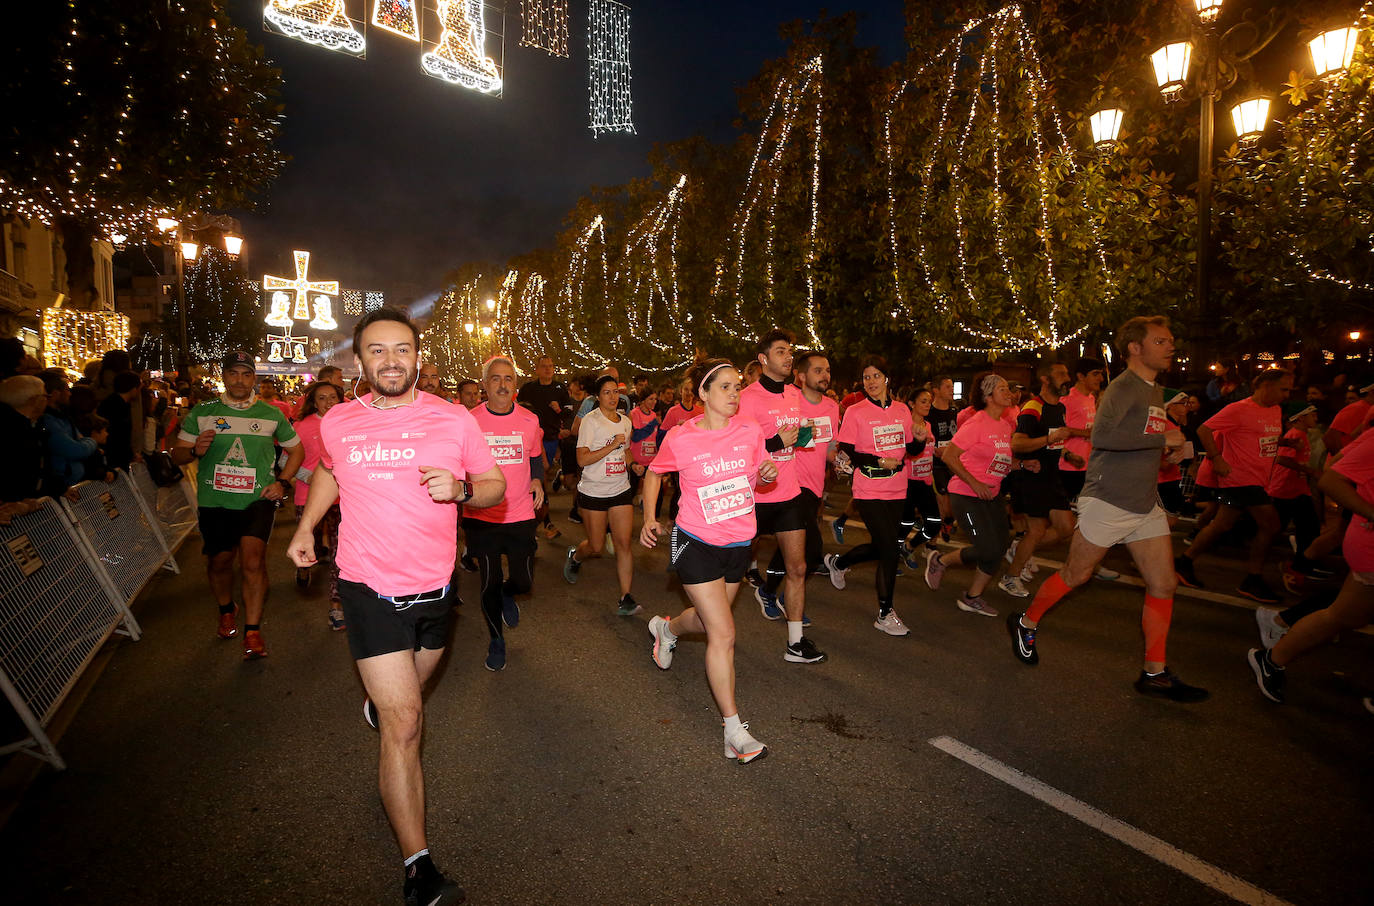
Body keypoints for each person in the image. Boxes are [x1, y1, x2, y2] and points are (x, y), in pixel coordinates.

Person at [288, 308, 503, 906]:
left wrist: (462, 489)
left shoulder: (453, 419)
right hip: (367, 589)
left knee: (410, 690)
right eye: (377, 351)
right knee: (405, 722)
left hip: (435, 592)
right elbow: (331, 473)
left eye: (401, 350)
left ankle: (377, 703)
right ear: (360, 361)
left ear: (417, 357)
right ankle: (419, 869)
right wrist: (306, 525)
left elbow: (495, 486)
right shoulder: (339, 420)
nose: (390, 361)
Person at [1007, 316, 1207, 702]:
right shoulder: (1124, 387)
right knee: (1076, 574)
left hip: (1143, 503)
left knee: (1164, 584)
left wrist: (1169, 450)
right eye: (1161, 341)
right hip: (1108, 500)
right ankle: (1026, 622)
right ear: (1135, 347)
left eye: (1170, 340)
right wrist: (1159, 439)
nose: (1170, 346)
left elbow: (1145, 443)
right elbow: (1104, 436)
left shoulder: (1154, 391)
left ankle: (1155, 672)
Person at [639, 358, 777, 763]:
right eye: (725, 387)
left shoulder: (750, 430)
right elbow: (653, 473)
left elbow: (760, 472)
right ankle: (734, 731)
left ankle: (667, 630)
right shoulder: (681, 438)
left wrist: (767, 472)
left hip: (739, 543)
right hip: (695, 541)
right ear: (703, 393)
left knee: (705, 621)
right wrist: (649, 517)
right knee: (725, 632)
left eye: (737, 386)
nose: (735, 393)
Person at [171, 351, 304, 659]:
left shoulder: (271, 414)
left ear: (253, 378)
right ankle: (226, 608)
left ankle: (253, 631)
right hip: (215, 502)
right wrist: (193, 451)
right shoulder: (203, 412)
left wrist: (282, 482)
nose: (240, 380)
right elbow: (178, 454)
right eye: (234, 374)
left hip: (257, 500)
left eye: (246, 374)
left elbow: (296, 451)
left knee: (253, 563)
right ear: (224, 376)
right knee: (220, 561)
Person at [1248, 426, 1374, 705]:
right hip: (1368, 543)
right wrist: (1368, 510)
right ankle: (1279, 621)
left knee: (1343, 616)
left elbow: (1336, 462)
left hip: (1361, 539)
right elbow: (1332, 476)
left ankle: (1272, 656)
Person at [737, 328, 827, 664]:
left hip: (789, 493)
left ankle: (795, 643)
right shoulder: (747, 397)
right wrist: (777, 442)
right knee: (731, 574)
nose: (789, 357)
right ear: (763, 359)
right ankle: (710, 628)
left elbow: (796, 438)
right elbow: (743, 445)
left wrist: (807, 434)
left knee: (799, 567)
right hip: (754, 497)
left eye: (790, 351)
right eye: (780, 352)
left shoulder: (793, 394)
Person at [1174, 368, 1292, 603]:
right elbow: (1204, 429)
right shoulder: (1239, 408)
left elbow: (1260, 438)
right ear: (1266, 386)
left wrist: (1285, 442)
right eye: (1284, 389)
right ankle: (1253, 579)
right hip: (1240, 478)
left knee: (1221, 525)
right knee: (1270, 525)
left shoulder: (1275, 410)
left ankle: (1184, 562)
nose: (1287, 395)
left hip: (1258, 479)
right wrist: (1217, 459)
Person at [826, 356, 920, 635]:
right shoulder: (856, 411)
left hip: (897, 487)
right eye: (867, 377)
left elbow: (911, 450)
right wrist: (878, 461)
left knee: (884, 545)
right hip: (868, 488)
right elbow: (851, 451)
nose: (871, 382)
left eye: (876, 376)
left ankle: (839, 562)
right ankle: (885, 613)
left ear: (887, 378)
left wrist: (919, 437)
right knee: (890, 548)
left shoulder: (903, 410)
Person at [468, 355, 545, 671]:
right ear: (485, 385)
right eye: (495, 378)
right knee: (488, 580)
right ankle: (496, 640)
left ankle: (507, 594)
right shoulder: (469, 421)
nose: (502, 384)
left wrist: (538, 477)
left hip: (521, 512)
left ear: (515, 384)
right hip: (482, 515)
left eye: (508, 378)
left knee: (524, 581)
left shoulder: (529, 420)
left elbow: (535, 457)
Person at [924, 373, 1014, 618]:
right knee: (987, 548)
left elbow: (998, 458)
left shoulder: (1005, 426)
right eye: (1002, 389)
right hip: (966, 494)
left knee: (1000, 546)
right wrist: (975, 483)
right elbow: (950, 456)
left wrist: (1020, 466)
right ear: (988, 396)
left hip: (992, 495)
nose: (1009, 393)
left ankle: (972, 597)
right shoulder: (976, 423)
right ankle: (940, 561)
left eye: (1008, 389)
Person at [756, 350, 835, 618]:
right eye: (818, 370)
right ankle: (775, 595)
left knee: (793, 552)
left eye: (827, 370)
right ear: (801, 376)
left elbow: (827, 445)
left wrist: (840, 460)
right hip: (791, 485)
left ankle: (771, 592)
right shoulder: (789, 399)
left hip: (814, 487)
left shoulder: (833, 407)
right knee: (811, 551)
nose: (825, 375)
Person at [564, 374, 639, 615]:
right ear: (598, 397)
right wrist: (611, 446)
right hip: (593, 491)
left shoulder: (625, 422)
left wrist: (633, 463)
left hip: (620, 490)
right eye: (607, 392)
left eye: (615, 392)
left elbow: (626, 451)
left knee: (624, 544)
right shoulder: (590, 421)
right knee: (596, 546)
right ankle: (575, 557)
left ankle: (625, 597)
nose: (613, 397)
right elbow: (582, 459)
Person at [1000, 362, 1076, 598]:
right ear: (1045, 379)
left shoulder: (1059, 408)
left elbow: (1052, 440)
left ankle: (1019, 549)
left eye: (1067, 373)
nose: (1066, 378)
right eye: (1060, 374)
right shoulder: (1033, 407)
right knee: (1037, 529)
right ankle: (1010, 578)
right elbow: (1017, 443)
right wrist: (1050, 438)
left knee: (1066, 528)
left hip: (1052, 476)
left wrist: (1066, 453)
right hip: (1030, 475)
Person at [292, 379, 345, 630]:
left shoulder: (349, 423)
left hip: (342, 499)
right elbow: (285, 460)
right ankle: (303, 569)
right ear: (313, 401)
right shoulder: (302, 426)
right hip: (308, 498)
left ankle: (336, 605)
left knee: (340, 553)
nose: (328, 402)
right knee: (309, 543)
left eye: (332, 397)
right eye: (322, 398)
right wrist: (308, 477)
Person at [1268, 402, 1323, 593]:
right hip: (1284, 490)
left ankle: (1300, 566)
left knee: (1309, 528)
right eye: (1312, 415)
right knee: (1274, 530)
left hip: (1297, 490)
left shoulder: (1302, 434)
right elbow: (1282, 459)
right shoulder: (1294, 435)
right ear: (1300, 417)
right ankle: (1295, 568)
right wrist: (1309, 471)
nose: (1316, 418)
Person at [39, 371, 97, 499]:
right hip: (63, 486)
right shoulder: (49, 421)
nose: (70, 394)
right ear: (55, 393)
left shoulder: (64, 417)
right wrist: (93, 441)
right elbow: (76, 450)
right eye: (66, 390)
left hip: (73, 482)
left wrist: (85, 442)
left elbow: (80, 442)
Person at [900, 387, 943, 558]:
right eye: (923, 401)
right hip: (907, 482)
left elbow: (929, 451)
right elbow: (901, 453)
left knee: (934, 524)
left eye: (929, 402)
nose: (927, 405)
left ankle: (909, 547)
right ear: (911, 404)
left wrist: (936, 450)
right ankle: (892, 555)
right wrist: (919, 443)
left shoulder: (929, 425)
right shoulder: (905, 425)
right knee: (906, 523)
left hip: (925, 481)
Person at [1059, 358, 1105, 501]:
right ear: (1080, 376)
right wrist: (1087, 433)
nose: (1101, 378)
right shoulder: (1067, 400)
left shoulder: (1091, 398)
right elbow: (1057, 430)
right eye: (1095, 374)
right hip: (1069, 466)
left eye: (1101, 374)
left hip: (1088, 465)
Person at [0, 375, 49, 504]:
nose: (47, 401)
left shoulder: (33, 425)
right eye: (45, 396)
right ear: (34, 400)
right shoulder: (12, 432)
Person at [926, 375, 960, 540]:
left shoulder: (954, 411)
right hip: (936, 464)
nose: (951, 390)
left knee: (953, 506)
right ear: (936, 390)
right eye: (947, 387)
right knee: (943, 506)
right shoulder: (929, 413)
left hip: (953, 463)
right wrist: (936, 449)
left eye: (952, 386)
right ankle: (931, 544)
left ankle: (945, 524)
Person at [97, 371, 141, 472]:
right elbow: (119, 434)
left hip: (117, 454)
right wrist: (130, 454)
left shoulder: (117, 403)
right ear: (133, 389)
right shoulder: (116, 406)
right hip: (114, 457)